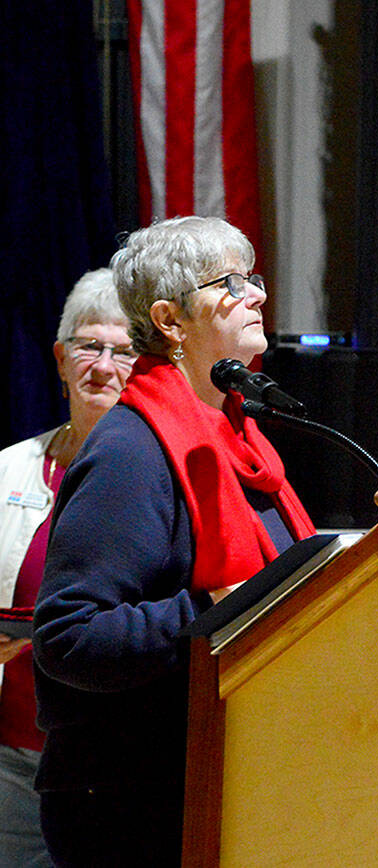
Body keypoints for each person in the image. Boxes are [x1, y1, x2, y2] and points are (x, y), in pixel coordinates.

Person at [32, 217, 316, 866]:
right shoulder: (131, 452)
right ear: (169, 319)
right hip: (132, 807)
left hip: (229, 783)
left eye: (256, 277)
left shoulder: (239, 439)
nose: (258, 296)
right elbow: (69, 634)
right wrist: (212, 612)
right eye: (232, 282)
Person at [0, 268, 133, 867]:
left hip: (113, 766)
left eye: (124, 350)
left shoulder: (162, 479)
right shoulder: (9, 470)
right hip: (10, 762)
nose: (102, 366)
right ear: (59, 359)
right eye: (87, 345)